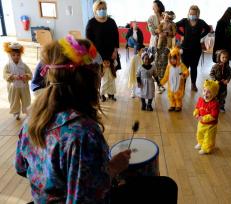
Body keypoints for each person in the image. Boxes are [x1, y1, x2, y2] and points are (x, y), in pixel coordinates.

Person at [15, 37, 177, 203]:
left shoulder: (32, 119)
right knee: (166, 187)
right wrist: (112, 169)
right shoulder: (83, 134)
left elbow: (20, 168)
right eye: (98, 71)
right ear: (87, 80)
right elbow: (87, 198)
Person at [176, 5, 210, 91]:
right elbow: (175, 26)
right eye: (191, 13)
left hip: (196, 50)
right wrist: (182, 34)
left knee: (194, 68)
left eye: (194, 14)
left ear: (197, 14)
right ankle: (182, 84)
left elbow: (208, 29)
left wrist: (200, 36)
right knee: (184, 67)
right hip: (185, 49)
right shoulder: (184, 21)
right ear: (189, 13)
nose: (192, 15)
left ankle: (193, 84)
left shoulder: (201, 22)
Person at [86, 0, 121, 70]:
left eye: (104, 8)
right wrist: (93, 54)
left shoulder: (111, 22)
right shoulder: (91, 23)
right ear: (95, 10)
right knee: (99, 76)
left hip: (111, 54)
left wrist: (115, 52)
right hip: (97, 54)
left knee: (111, 76)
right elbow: (88, 41)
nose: (102, 10)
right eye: (99, 9)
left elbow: (116, 38)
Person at [3, 42, 32, 120]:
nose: (16, 57)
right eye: (13, 55)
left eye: (18, 55)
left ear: (20, 55)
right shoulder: (8, 66)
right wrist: (12, 76)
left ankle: (27, 110)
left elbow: (30, 74)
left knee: (26, 98)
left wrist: (26, 76)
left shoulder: (24, 65)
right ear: (10, 55)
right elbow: (5, 75)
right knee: (14, 99)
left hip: (23, 86)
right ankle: (16, 112)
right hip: (13, 87)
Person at [193, 79, 220, 154]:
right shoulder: (201, 100)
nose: (205, 93)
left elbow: (214, 115)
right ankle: (201, 143)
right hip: (201, 123)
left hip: (211, 125)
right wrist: (196, 113)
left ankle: (206, 148)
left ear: (214, 94)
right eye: (204, 91)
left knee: (208, 137)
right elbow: (197, 107)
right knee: (199, 133)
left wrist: (203, 118)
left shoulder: (215, 104)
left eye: (208, 92)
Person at [160, 47, 189, 112]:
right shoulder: (169, 66)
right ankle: (172, 105)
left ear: (178, 58)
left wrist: (184, 74)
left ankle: (178, 105)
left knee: (178, 96)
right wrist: (162, 82)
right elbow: (166, 76)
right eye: (171, 59)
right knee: (171, 95)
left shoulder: (181, 66)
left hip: (179, 85)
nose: (172, 60)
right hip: (171, 84)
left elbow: (186, 71)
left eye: (174, 59)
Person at [148, 0, 168, 94]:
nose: (152, 8)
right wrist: (160, 30)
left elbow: (170, 27)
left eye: (154, 6)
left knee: (163, 64)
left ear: (159, 7)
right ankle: (154, 85)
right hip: (155, 43)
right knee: (155, 63)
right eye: (152, 6)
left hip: (165, 44)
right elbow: (152, 31)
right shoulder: (151, 18)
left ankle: (160, 84)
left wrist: (166, 32)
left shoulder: (166, 16)